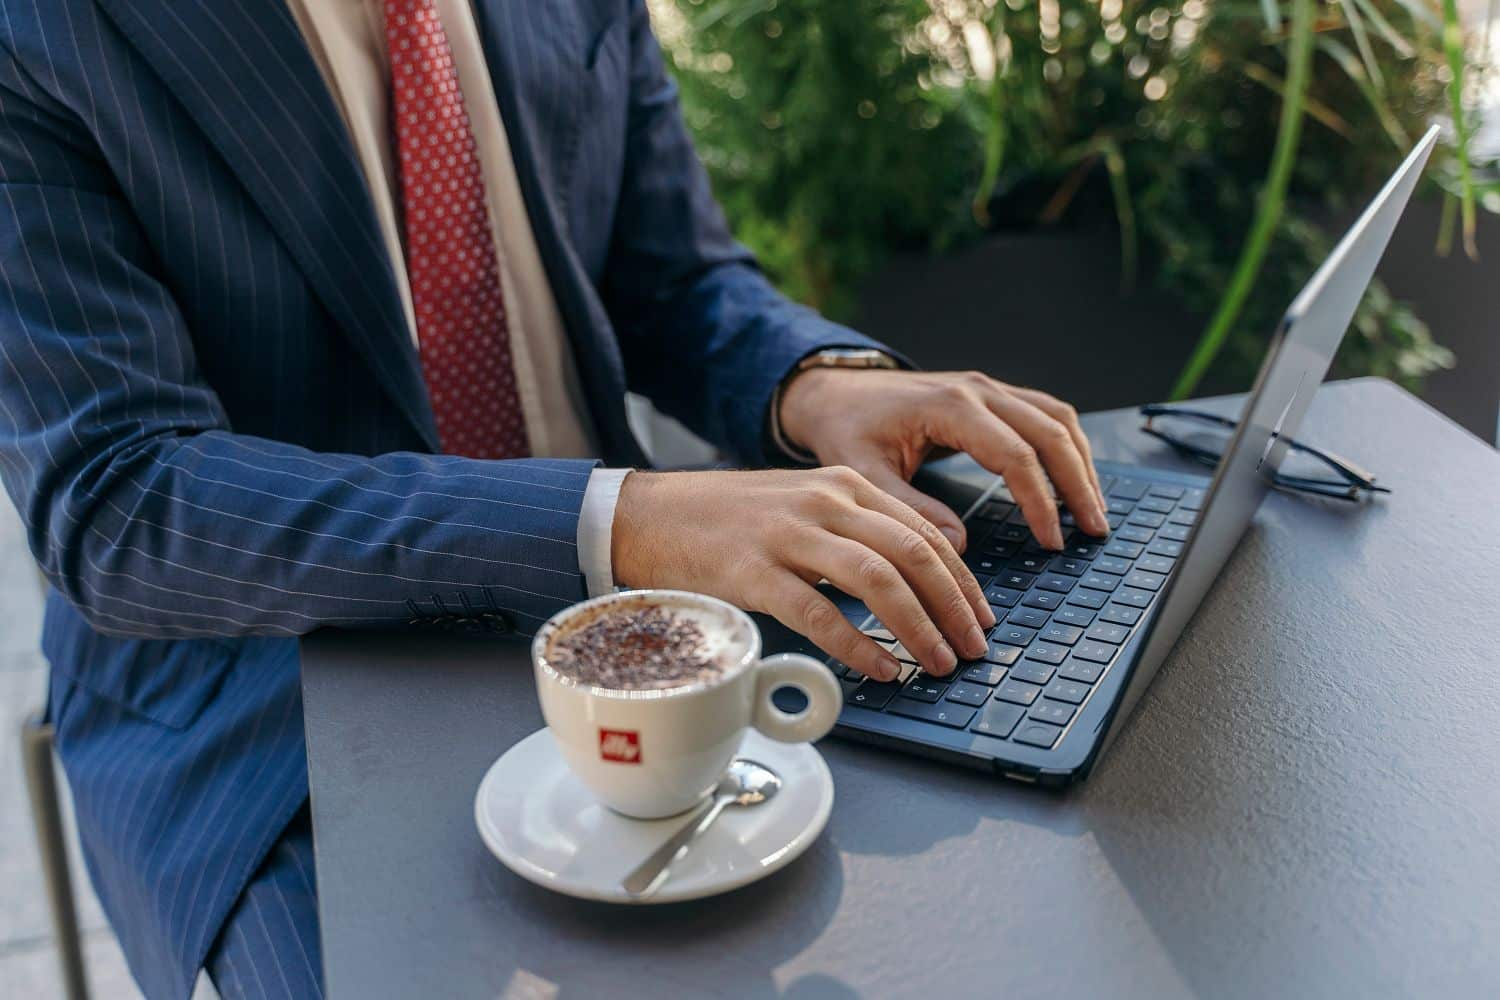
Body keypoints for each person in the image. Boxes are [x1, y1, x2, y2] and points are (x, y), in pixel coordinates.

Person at [0, 1, 1107, 997]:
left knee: (996, 889)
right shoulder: (44, 28)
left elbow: (670, 274)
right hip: (265, 688)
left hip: (663, 622)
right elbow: (120, 501)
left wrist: (814, 383)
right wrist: (620, 518)